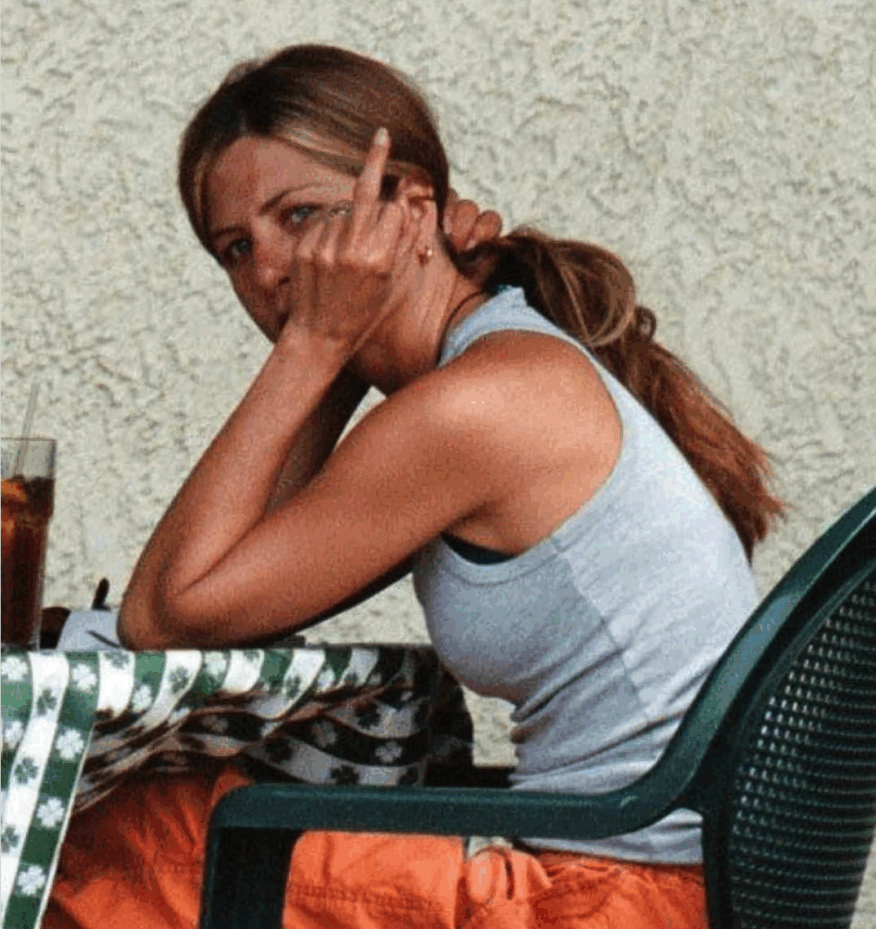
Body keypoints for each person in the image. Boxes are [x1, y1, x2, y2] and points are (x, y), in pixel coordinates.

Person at [48, 45, 783, 929]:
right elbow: (229, 589)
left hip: (617, 901)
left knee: (83, 827)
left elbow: (164, 619)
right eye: (235, 247)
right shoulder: (487, 369)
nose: (270, 270)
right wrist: (336, 351)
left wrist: (316, 343)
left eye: (301, 215)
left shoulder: (474, 407)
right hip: (653, 886)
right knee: (161, 811)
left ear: (411, 206)